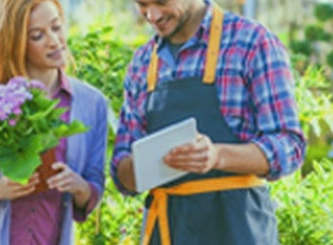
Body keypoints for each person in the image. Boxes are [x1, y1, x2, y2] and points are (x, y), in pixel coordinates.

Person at [111, 0, 306, 244]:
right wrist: (141, 165)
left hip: (239, 230)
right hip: (167, 230)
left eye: (161, 2)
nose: (152, 15)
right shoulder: (142, 64)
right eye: (142, 4)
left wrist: (217, 156)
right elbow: (122, 172)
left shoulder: (252, 43)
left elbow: (290, 146)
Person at [0, 0, 108, 244]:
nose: (54, 41)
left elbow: (94, 188)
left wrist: (79, 186)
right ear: (14, 43)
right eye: (37, 35)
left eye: (56, 27)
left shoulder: (92, 104)